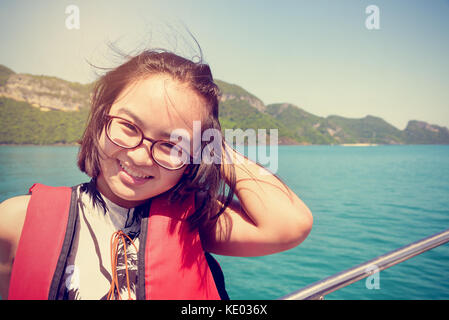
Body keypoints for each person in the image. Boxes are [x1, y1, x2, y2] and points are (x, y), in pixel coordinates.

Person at [0, 49, 313, 300]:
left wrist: (213, 143)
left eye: (172, 145)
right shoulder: (16, 220)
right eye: (128, 127)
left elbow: (289, 225)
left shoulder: (194, 219)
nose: (140, 156)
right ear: (100, 119)